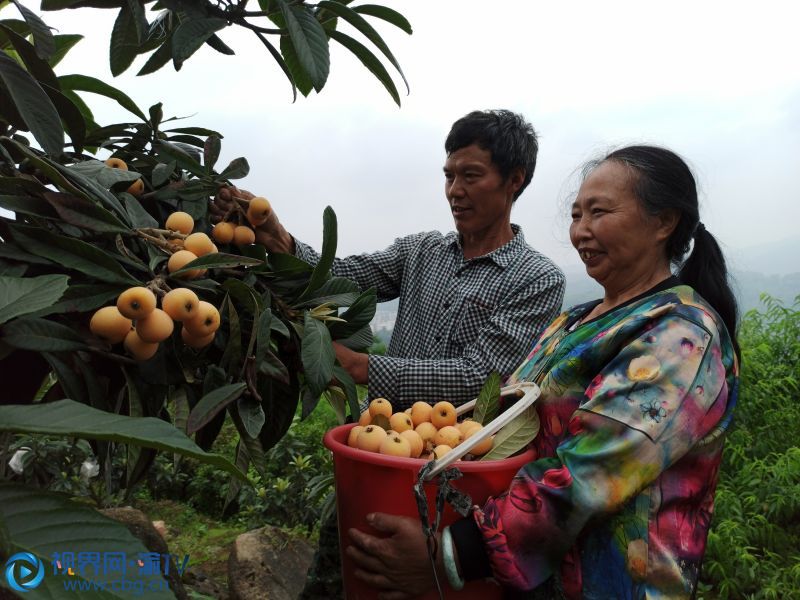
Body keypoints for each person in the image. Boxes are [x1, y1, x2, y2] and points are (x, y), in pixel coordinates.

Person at [346, 145, 740, 599]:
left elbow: (591, 476)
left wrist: (452, 553)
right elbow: (512, 424)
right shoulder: (573, 322)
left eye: (599, 212)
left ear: (663, 222)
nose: (581, 231)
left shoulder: (680, 335)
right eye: (576, 215)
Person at [212, 109, 565, 410]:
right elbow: (342, 279)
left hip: (458, 457)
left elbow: (483, 377)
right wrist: (279, 239)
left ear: (514, 180)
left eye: (471, 176)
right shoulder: (420, 251)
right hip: (379, 437)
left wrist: (361, 367)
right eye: (449, 176)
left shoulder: (536, 279)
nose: (455, 190)